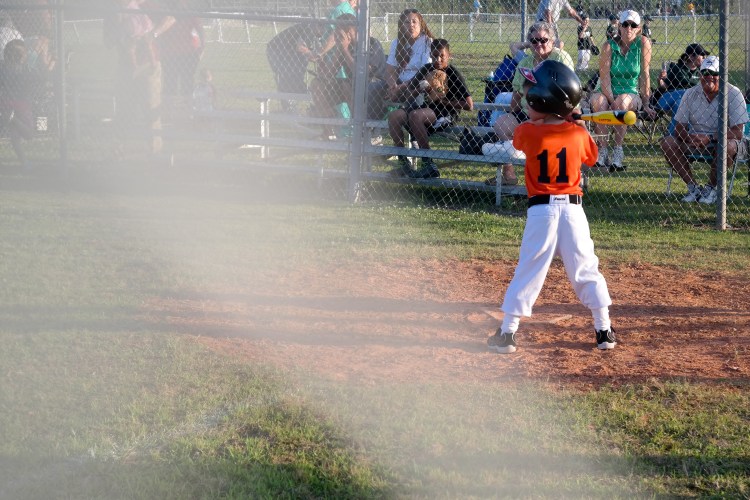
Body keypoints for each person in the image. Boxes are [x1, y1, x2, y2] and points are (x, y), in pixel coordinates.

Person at [487, 60, 615, 354]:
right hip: (573, 212)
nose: (527, 99)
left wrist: (559, 121)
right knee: (586, 269)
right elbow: (592, 157)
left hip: (541, 213)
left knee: (528, 269)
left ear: (542, 100)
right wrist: (577, 124)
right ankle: (604, 330)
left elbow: (520, 139)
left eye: (531, 95)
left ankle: (507, 334)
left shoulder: (527, 132)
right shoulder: (578, 134)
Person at [488, 21, 575, 186]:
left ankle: (540, 173)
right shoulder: (525, 63)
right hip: (526, 112)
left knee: (536, 130)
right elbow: (517, 93)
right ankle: (509, 174)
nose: (539, 44)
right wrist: (512, 113)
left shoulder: (560, 58)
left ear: (552, 41)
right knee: (501, 124)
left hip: (553, 114)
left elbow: (569, 90)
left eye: (543, 40)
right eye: (534, 41)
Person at [659, 56, 749, 204]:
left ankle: (711, 189)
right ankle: (693, 188)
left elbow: (738, 132)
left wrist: (711, 138)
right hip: (695, 141)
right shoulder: (690, 93)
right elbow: (679, 128)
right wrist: (689, 138)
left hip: (728, 142)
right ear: (700, 75)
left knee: (726, 146)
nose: (709, 77)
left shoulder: (734, 93)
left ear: (722, 75)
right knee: (667, 142)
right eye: (705, 72)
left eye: (714, 73)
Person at [388, 38, 473, 179]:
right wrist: (420, 89)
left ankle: (428, 164)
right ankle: (403, 163)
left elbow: (469, 105)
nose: (438, 60)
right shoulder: (426, 69)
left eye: (442, 56)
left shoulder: (453, 73)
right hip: (425, 109)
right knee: (394, 116)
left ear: (449, 55)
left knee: (415, 115)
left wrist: (441, 100)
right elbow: (409, 94)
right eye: (434, 56)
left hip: (445, 112)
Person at [103, 0, 174, 155]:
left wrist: (152, 35)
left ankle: (155, 151)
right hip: (125, 67)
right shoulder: (113, 8)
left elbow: (171, 18)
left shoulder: (147, 4)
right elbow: (107, 41)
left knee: (151, 110)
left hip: (149, 66)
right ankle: (118, 150)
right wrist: (120, 31)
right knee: (124, 110)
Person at [589, 9, 655, 171]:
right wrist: (611, 100)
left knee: (623, 102)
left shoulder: (643, 43)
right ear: (619, 26)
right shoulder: (608, 46)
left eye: (633, 25)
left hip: (631, 92)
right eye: (625, 24)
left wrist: (646, 103)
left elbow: (645, 75)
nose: (629, 28)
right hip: (606, 90)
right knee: (598, 102)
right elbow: (604, 77)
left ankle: (618, 151)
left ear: (639, 28)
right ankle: (602, 150)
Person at [310, 14, 385, 139]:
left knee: (346, 85)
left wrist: (344, 49)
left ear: (349, 31)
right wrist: (322, 58)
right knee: (317, 84)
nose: (335, 35)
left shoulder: (371, 43)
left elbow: (363, 73)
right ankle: (329, 130)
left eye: (338, 31)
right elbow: (328, 74)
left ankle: (361, 131)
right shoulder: (344, 46)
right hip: (351, 87)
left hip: (372, 87)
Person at [0, 38, 53, 168]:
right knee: (29, 134)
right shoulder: (26, 69)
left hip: (6, 104)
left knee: (15, 139)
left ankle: (25, 162)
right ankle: (13, 119)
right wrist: (51, 63)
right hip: (22, 104)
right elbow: (42, 77)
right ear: (22, 58)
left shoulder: (3, 68)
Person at [157, 0, 205, 116]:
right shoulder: (167, 11)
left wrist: (203, 47)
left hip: (188, 52)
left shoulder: (189, 11)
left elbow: (200, 28)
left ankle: (187, 110)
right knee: (170, 80)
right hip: (170, 53)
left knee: (186, 80)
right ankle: (169, 110)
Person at [266, 22, 324, 110]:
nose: (322, 34)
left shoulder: (314, 34)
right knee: (287, 77)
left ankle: (296, 99)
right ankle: (291, 104)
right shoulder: (308, 29)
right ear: (318, 26)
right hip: (275, 51)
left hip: (287, 53)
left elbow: (316, 51)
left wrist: (316, 55)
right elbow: (300, 47)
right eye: (323, 30)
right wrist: (312, 54)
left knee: (293, 77)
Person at [382, 9, 434, 104]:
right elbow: (390, 70)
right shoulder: (396, 43)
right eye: (406, 22)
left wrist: (401, 87)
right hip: (398, 82)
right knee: (374, 89)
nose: (411, 25)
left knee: (415, 100)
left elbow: (425, 73)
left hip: (417, 84)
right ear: (401, 26)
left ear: (421, 24)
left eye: (414, 21)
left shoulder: (427, 43)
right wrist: (393, 85)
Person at [657, 43, 708, 135]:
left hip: (687, 102)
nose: (705, 58)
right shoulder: (677, 68)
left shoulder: (702, 72)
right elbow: (665, 86)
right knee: (687, 94)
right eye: (702, 56)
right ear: (691, 56)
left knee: (680, 103)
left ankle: (671, 136)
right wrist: (659, 79)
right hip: (669, 97)